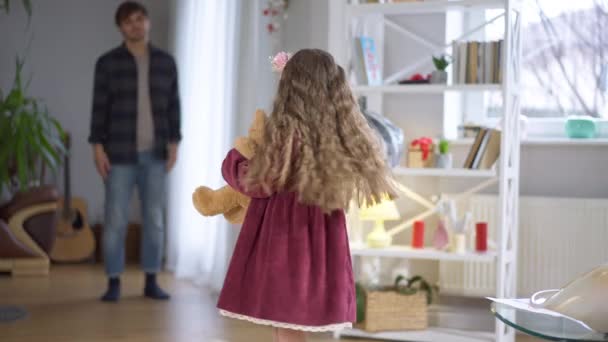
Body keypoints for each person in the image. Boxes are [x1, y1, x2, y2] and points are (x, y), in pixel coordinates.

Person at [216, 49, 397, 342]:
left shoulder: (289, 133)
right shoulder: (335, 134)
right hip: (320, 245)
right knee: (288, 321)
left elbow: (258, 181)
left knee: (286, 323)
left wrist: (233, 161)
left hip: (287, 244)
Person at [88, 1, 181, 302]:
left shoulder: (167, 63)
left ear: (148, 23)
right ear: (120, 27)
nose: (135, 25)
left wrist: (175, 143)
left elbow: (174, 106)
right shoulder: (107, 63)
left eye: (140, 19)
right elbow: (99, 108)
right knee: (115, 220)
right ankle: (113, 281)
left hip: (156, 154)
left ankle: (151, 279)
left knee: (154, 218)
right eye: (128, 21)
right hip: (118, 154)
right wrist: (97, 147)